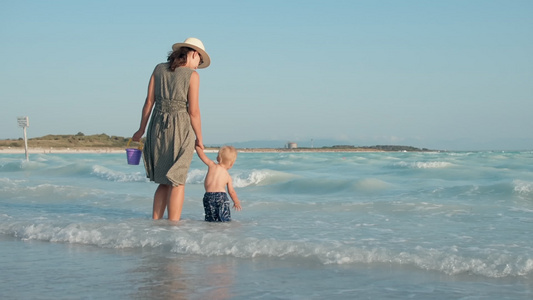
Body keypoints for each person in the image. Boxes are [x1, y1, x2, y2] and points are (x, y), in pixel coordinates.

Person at [132, 37, 211, 221]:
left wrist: (141, 130)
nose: (198, 67)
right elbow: (194, 112)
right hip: (180, 128)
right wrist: (199, 138)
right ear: (193, 53)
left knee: (164, 181)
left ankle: (156, 224)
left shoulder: (159, 69)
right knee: (178, 181)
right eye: (199, 61)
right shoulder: (192, 76)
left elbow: (149, 102)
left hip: (157, 128)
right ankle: (174, 227)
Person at [195, 145, 242, 222]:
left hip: (208, 196)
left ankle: (211, 232)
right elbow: (231, 192)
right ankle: (223, 233)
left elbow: (202, 155)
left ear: (218, 158)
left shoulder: (211, 165)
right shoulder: (228, 176)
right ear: (231, 164)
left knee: (210, 219)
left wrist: (197, 146)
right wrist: (236, 202)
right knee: (224, 219)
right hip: (221, 197)